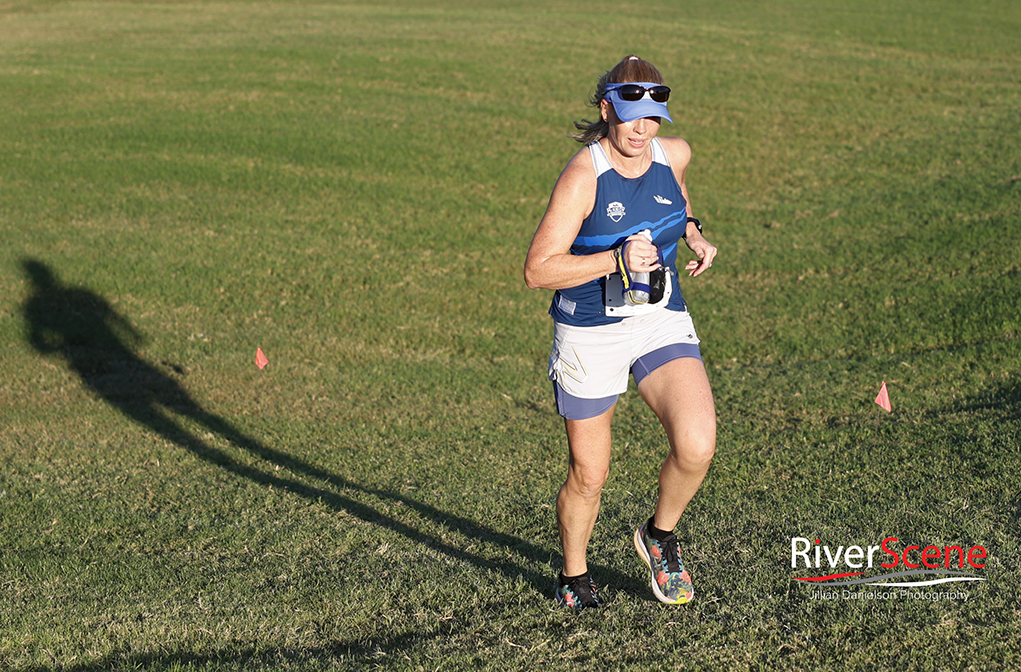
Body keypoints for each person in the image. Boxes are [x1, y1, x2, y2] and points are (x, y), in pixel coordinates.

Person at [523, 55, 718, 609]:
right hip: (590, 331)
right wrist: (613, 260)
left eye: (653, 118)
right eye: (631, 116)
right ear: (608, 109)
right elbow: (539, 269)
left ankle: (658, 538)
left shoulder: (673, 153)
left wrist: (696, 233)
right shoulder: (584, 176)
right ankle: (574, 576)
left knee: (697, 444)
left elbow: (676, 201)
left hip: (658, 318)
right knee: (590, 474)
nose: (641, 130)